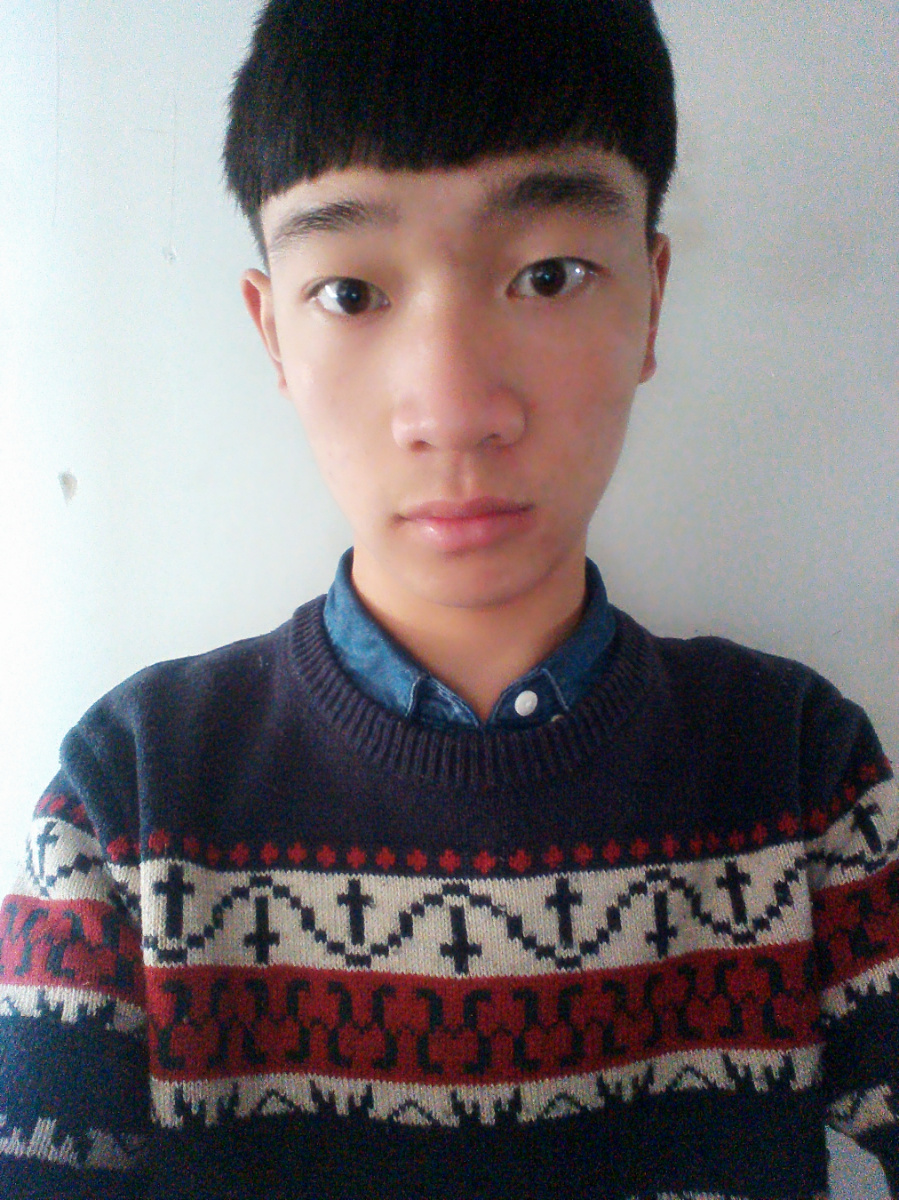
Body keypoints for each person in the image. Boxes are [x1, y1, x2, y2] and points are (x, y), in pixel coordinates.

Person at [0, 0, 896, 1196]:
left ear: (649, 301)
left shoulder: (800, 781)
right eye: (350, 293)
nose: (454, 409)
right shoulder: (125, 809)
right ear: (272, 335)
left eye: (547, 274)